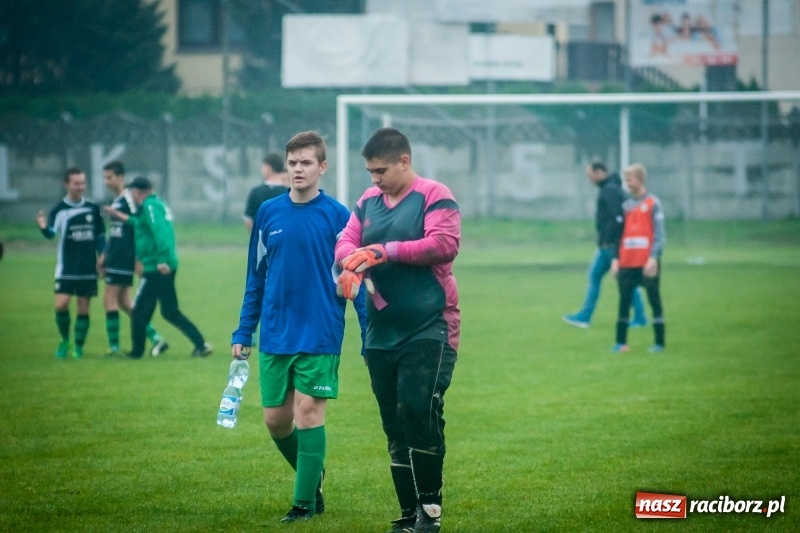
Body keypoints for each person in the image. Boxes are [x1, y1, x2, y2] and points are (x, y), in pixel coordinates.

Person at [231, 131, 366, 524]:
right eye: (292, 163)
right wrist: (243, 331)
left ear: (322, 167)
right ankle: (313, 471)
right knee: (276, 421)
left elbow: (353, 275)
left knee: (308, 412)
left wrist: (368, 328)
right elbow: (255, 277)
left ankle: (304, 504)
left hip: (321, 330)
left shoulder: (338, 215)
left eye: (306, 163)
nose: (297, 169)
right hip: (276, 331)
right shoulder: (268, 213)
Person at [335, 127, 460, 533]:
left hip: (430, 324)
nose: (375, 179)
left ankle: (431, 511)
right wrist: (351, 263)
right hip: (380, 330)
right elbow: (345, 240)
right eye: (370, 172)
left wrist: (382, 251)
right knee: (394, 422)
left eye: (381, 171)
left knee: (417, 410)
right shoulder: (367, 202)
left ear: (404, 162)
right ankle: (409, 514)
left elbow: (443, 244)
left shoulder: (435, 195)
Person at [104, 176, 212, 359]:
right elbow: (140, 224)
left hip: (157, 267)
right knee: (169, 311)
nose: (131, 196)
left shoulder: (149, 206)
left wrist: (161, 260)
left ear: (138, 192)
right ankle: (201, 345)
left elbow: (160, 232)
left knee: (139, 310)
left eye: (132, 192)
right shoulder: (155, 204)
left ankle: (136, 353)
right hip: (163, 264)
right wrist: (119, 215)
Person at [564, 161, 648, 329]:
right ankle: (585, 316)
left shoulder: (610, 191)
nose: (589, 179)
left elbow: (619, 220)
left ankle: (640, 318)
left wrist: (616, 247)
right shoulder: (609, 188)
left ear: (600, 172)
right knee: (595, 276)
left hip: (612, 246)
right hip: (604, 245)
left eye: (590, 175)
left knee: (625, 281)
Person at [98, 161, 166, 357]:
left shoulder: (129, 199)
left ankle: (114, 348)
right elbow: (115, 232)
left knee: (109, 299)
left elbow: (140, 227)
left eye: (109, 177)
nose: (106, 181)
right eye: (104, 177)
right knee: (125, 303)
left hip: (124, 256)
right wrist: (104, 255)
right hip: (115, 255)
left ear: (121, 177)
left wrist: (137, 259)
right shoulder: (117, 201)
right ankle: (156, 338)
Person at [36, 167, 105, 359]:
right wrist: (43, 227)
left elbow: (100, 236)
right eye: (76, 183)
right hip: (66, 267)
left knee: (83, 306)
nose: (80, 187)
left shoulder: (92, 208)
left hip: (88, 267)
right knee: (61, 305)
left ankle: (78, 347)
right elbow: (51, 233)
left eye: (82, 183)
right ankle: (64, 340)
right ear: (66, 184)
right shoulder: (59, 210)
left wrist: (103, 255)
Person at [611, 163, 666, 353]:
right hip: (627, 262)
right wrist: (616, 259)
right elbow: (619, 236)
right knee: (624, 303)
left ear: (640, 179)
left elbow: (660, 234)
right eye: (626, 179)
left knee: (654, 300)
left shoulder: (653, 203)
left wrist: (654, 257)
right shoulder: (625, 206)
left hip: (646, 262)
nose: (627, 183)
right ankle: (621, 343)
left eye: (630, 179)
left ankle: (659, 343)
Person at [243, 153, 288, 234]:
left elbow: (248, 219)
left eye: (262, 167)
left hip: (262, 237)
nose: (261, 171)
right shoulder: (290, 193)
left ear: (268, 169)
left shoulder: (256, 192)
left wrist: (256, 236)